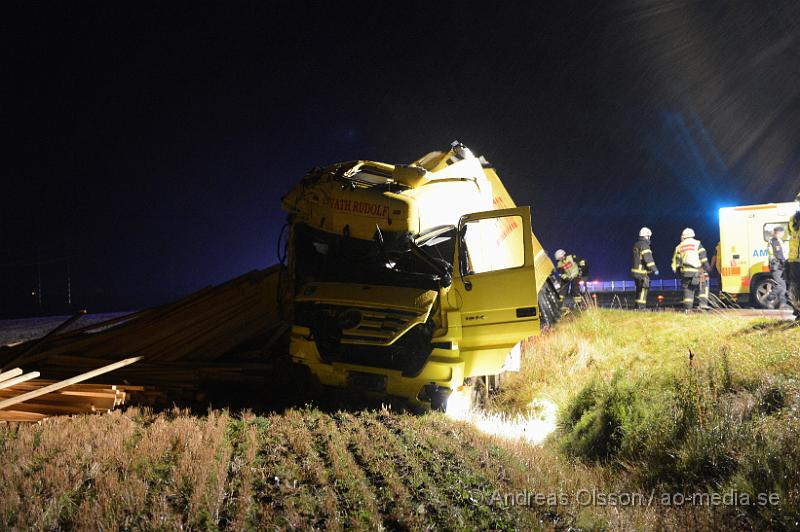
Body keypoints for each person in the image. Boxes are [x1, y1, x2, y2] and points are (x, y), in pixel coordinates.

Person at [671, 228, 710, 311]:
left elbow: (677, 263)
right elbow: (703, 258)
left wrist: (680, 275)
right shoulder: (697, 244)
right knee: (703, 285)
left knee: (687, 289)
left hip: (685, 271)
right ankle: (703, 305)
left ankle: (688, 308)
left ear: (683, 237)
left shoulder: (679, 247)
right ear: (693, 235)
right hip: (699, 271)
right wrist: (707, 268)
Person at [631, 227, 659, 310]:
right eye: (649, 236)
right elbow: (648, 259)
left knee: (639, 289)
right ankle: (641, 307)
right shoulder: (645, 245)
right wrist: (655, 269)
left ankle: (637, 306)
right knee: (644, 289)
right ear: (647, 236)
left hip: (635, 271)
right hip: (642, 272)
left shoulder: (637, 244)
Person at [766, 226, 788, 309]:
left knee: (783, 285)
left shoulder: (778, 240)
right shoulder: (774, 241)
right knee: (781, 284)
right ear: (778, 233)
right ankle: (769, 298)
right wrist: (785, 263)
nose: (783, 234)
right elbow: (779, 255)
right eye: (782, 232)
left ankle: (783, 303)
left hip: (779, 266)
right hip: (777, 266)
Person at [787, 192, 800, 317]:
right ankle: (797, 310)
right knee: (795, 285)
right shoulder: (792, 219)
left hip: (795, 259)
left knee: (796, 285)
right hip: (794, 260)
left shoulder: (793, 219)